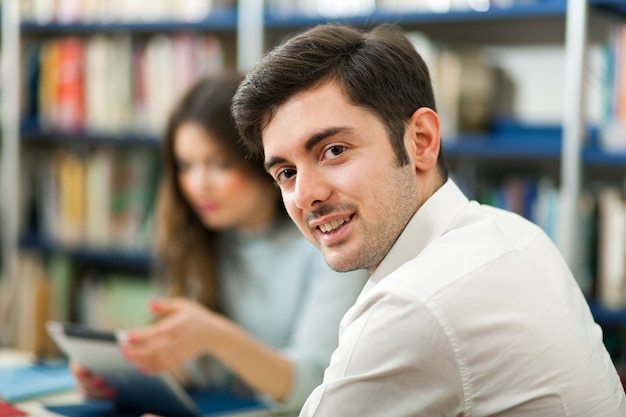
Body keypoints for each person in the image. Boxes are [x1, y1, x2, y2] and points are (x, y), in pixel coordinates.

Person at [231, 23, 626, 416]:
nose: (304, 195)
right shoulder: (515, 232)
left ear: (420, 140)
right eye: (286, 173)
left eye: (333, 150)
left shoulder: (413, 306)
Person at [70, 71, 368, 413]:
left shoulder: (329, 242)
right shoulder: (199, 238)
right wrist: (122, 374)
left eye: (219, 164)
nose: (199, 185)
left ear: (262, 161)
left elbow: (314, 383)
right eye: (186, 166)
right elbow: (203, 368)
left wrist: (213, 335)